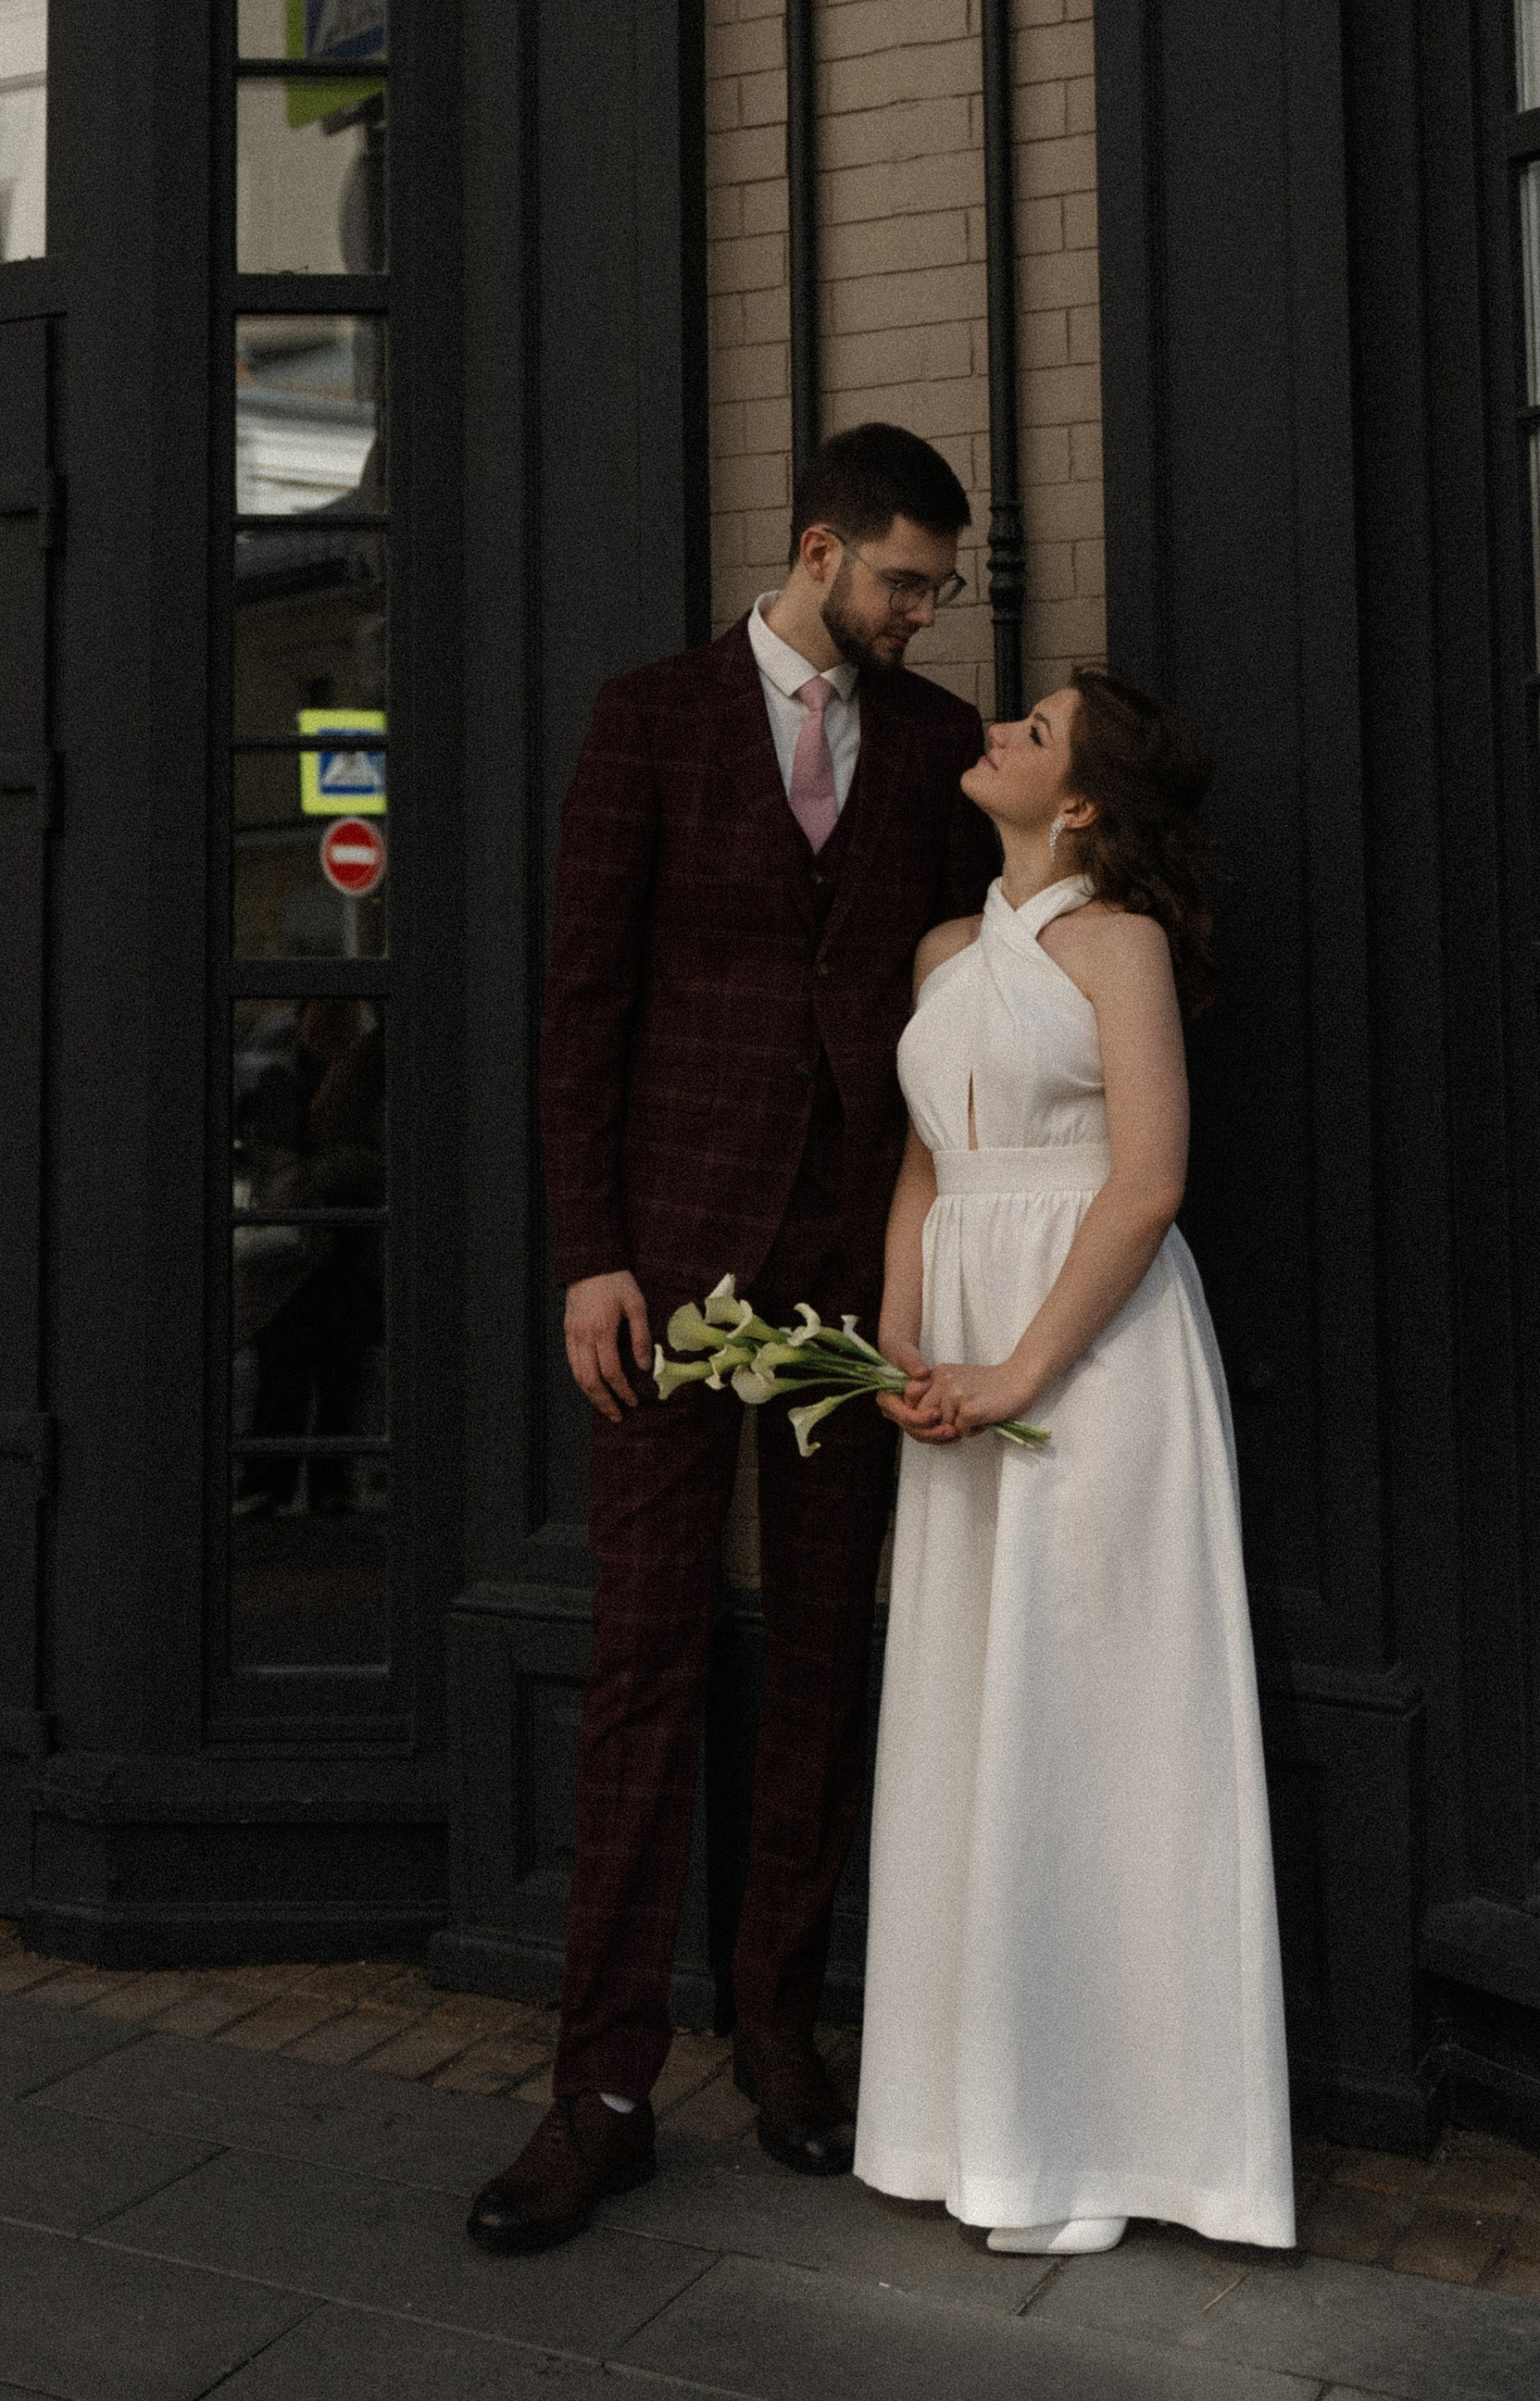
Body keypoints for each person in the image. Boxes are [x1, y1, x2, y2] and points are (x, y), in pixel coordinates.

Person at [468, 421, 998, 2254]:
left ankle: (778, 2025)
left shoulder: (936, 742)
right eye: (904, 581)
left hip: (856, 1266)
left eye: (942, 587)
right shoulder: (646, 721)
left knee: (830, 1648)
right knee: (644, 1657)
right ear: (818, 551)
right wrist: (590, 1258)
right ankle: (600, 2091)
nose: (924, 613)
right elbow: (581, 1006)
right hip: (671, 1273)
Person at [853, 669, 1292, 2256]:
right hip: (960, 1352)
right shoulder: (943, 952)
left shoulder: (1121, 944)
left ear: (1086, 802)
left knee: (1097, 1726)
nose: (999, 735)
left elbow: (1150, 1181)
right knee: (977, 1713)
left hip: (1093, 1363)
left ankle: (1111, 2147)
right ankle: (972, 2122)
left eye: (1034, 733)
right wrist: (900, 1339)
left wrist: (1019, 1371)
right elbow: (924, 1164)